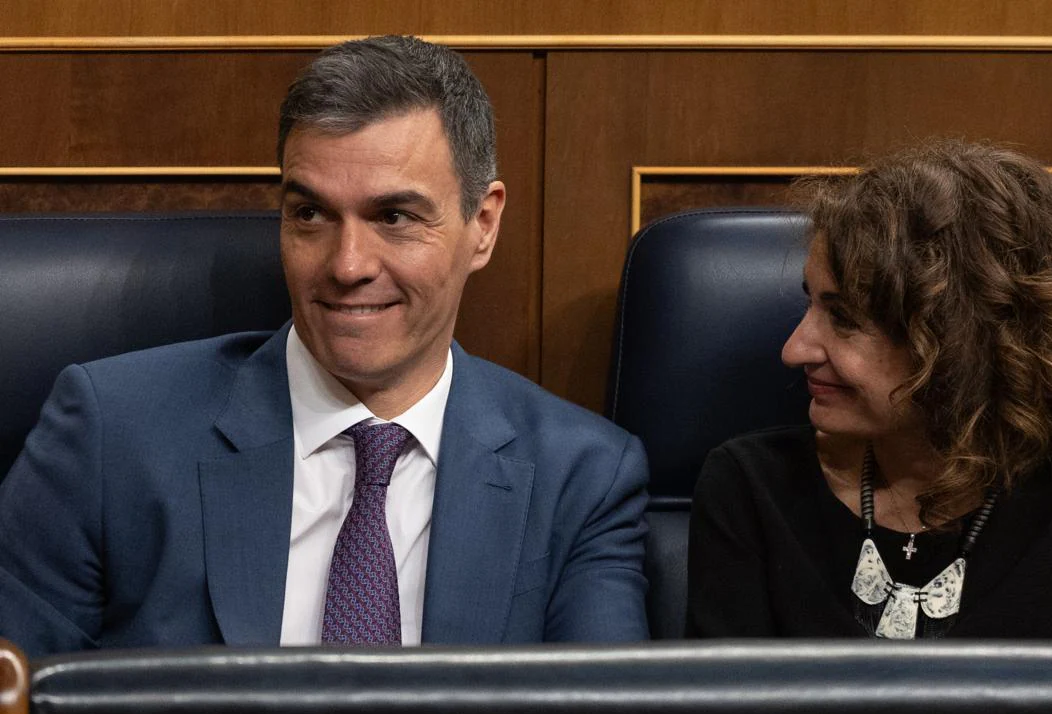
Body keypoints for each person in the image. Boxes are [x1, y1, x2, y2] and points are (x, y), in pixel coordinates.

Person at [0, 36, 650, 656]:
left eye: (393, 217)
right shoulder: (111, 433)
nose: (345, 265)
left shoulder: (581, 477)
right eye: (310, 214)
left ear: (482, 225)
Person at [687, 139, 1052, 639]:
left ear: (960, 339)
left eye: (843, 318)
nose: (795, 349)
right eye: (811, 305)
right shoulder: (750, 487)